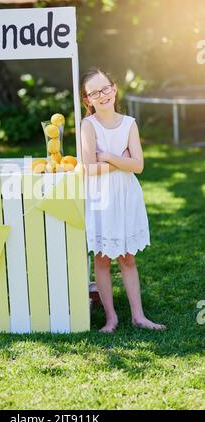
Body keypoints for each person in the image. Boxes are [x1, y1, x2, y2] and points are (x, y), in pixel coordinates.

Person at [80, 67, 166, 333]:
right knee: (103, 257)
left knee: (128, 257)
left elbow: (138, 165)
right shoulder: (88, 125)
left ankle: (138, 316)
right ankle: (111, 317)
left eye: (105, 88)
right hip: (101, 196)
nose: (102, 95)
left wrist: (107, 156)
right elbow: (89, 168)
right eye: (95, 92)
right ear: (88, 100)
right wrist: (122, 160)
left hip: (126, 195)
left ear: (114, 89)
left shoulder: (129, 123)